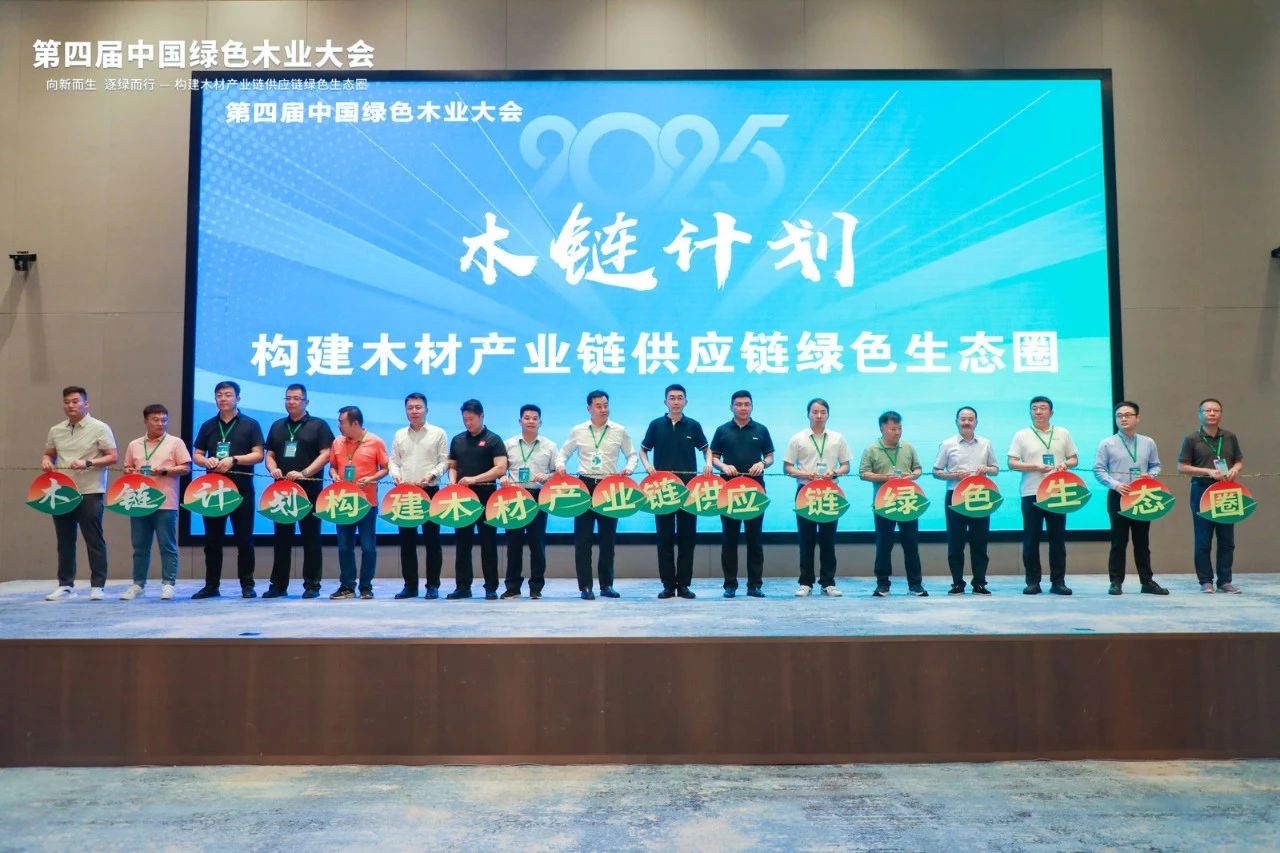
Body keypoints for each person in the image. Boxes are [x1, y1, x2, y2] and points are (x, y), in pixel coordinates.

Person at [556, 389, 638, 600]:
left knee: (607, 540)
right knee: (582, 541)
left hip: (609, 487)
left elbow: (632, 454)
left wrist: (629, 468)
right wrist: (560, 465)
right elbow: (563, 453)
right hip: (584, 487)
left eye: (606, 405)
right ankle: (585, 587)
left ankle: (606, 585)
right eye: (599, 406)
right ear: (589, 409)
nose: (603, 409)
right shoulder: (579, 430)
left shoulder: (619, 430)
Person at [42, 386, 118, 601]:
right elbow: (49, 454)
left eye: (75, 401)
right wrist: (46, 461)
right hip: (63, 491)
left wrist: (88, 462)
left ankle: (98, 586)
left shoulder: (100, 428)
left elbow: (113, 457)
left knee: (94, 539)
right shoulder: (56, 430)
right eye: (67, 402)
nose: (71, 405)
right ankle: (65, 585)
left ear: (86, 403)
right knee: (64, 540)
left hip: (90, 491)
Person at [191, 380, 264, 599]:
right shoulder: (208, 425)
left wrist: (234, 460)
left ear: (237, 398)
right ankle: (211, 585)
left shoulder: (250, 424)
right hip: (213, 491)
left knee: (244, 540)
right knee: (212, 541)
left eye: (228, 395)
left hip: (241, 491)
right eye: (219, 395)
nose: (223, 399)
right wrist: (206, 461)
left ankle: (247, 585)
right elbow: (197, 454)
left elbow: (258, 454)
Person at [640, 384, 711, 600]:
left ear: (685, 402)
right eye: (672, 398)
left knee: (687, 539)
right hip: (662, 491)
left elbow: (706, 449)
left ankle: (684, 585)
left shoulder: (693, 425)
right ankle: (668, 585)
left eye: (680, 398)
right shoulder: (655, 425)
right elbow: (643, 450)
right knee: (665, 539)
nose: (676, 401)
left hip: (689, 491)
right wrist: (647, 465)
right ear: (666, 402)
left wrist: (708, 462)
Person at [263, 384, 334, 599]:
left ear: (306, 402)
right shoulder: (277, 426)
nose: (291, 402)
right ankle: (278, 585)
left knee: (311, 538)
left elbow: (326, 454)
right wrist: (273, 468)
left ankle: (312, 585)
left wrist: (305, 472)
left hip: (309, 490)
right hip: (282, 493)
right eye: (288, 398)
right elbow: (270, 454)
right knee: (281, 539)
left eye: (296, 398)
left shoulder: (318, 425)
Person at [1093, 401, 1170, 596]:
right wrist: (1115, 484)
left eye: (1128, 415)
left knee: (1142, 542)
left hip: (1142, 496)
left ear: (1138, 418)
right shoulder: (1107, 443)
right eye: (1119, 416)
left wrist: (1150, 476)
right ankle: (1116, 582)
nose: (1123, 419)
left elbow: (1156, 465)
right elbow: (1098, 470)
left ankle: (1147, 581)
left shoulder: (1148, 442)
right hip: (1118, 495)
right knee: (1118, 542)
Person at [1007, 395, 1079, 595]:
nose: (1038, 412)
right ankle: (1032, 582)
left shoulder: (1063, 433)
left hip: (1058, 492)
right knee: (1031, 539)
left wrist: (1064, 464)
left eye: (1043, 408)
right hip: (1031, 492)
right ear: (1030, 412)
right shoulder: (1021, 435)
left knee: (1058, 539)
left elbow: (1074, 459)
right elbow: (1012, 463)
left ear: (1051, 412)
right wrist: (1035, 466)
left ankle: (1058, 582)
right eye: (1034, 408)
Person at [119, 404, 191, 601]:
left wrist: (165, 471)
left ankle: (168, 584)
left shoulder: (175, 443)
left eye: (164, 420)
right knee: (140, 547)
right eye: (156, 420)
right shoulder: (134, 444)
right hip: (140, 502)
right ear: (146, 421)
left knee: (167, 546)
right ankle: (138, 585)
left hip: (166, 502)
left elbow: (186, 468)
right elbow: (127, 468)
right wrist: (129, 471)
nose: (161, 424)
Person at [784, 397, 851, 597]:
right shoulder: (798, 438)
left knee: (828, 539)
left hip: (830, 492)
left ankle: (828, 583)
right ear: (808, 414)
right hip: (806, 492)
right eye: (815, 412)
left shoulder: (837, 438)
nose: (819, 415)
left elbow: (846, 466)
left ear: (828, 414)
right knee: (806, 539)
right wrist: (805, 474)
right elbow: (787, 468)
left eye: (823, 412)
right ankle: (806, 583)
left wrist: (835, 472)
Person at [710, 390, 775, 598]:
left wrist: (762, 463)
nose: (743, 407)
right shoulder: (722, 430)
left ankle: (754, 585)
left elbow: (770, 457)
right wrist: (723, 466)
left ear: (752, 406)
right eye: (739, 404)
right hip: (728, 490)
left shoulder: (761, 429)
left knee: (754, 539)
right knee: (729, 539)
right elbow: (713, 457)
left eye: (747, 404)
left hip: (755, 490)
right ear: (731, 407)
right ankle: (730, 585)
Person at [1177, 398, 1245, 594]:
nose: (1212, 413)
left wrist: (1235, 469)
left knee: (1227, 540)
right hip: (1202, 490)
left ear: (1221, 414)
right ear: (1200, 414)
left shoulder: (1230, 437)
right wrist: (1207, 471)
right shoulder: (1191, 439)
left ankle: (1225, 581)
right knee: (1203, 539)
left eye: (1216, 410)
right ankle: (1205, 581)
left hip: (1226, 491)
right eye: (1207, 411)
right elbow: (1182, 466)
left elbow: (1239, 460)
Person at [932, 406, 999, 595]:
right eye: (963, 419)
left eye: (970, 419)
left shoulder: (986, 443)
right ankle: (957, 583)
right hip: (955, 496)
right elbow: (936, 471)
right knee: (956, 543)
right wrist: (953, 475)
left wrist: (987, 469)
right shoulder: (947, 444)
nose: (966, 422)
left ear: (976, 422)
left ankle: (979, 583)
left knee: (980, 542)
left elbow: (995, 469)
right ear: (956, 422)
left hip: (980, 496)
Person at [388, 392, 449, 600]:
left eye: (418, 407)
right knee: (407, 542)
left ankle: (433, 586)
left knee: (432, 541)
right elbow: (394, 461)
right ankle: (410, 586)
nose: (414, 411)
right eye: (410, 408)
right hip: (405, 493)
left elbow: (444, 461)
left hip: (429, 491)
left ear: (426, 410)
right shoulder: (399, 435)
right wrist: (396, 475)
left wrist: (432, 474)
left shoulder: (438, 433)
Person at [859, 411, 927, 597]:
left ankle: (915, 584)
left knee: (911, 544)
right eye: (893, 429)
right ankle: (882, 584)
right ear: (882, 428)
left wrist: (911, 476)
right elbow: (864, 473)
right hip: (884, 503)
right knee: (884, 545)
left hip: (908, 502)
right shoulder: (872, 449)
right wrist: (885, 478)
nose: (897, 432)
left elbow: (918, 469)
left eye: (899, 428)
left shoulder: (908, 447)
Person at [447, 399, 508, 600]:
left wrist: (474, 479)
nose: (468, 423)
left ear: (482, 416)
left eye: (471, 419)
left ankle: (491, 587)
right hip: (462, 498)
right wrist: (452, 483)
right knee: (462, 544)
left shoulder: (493, 439)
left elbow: (500, 468)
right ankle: (463, 586)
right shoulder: (457, 440)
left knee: (488, 543)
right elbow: (452, 466)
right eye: (465, 419)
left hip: (486, 497)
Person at [328, 405, 388, 599]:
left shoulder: (375, 441)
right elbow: (332, 467)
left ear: (355, 423)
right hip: (343, 501)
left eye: (341, 422)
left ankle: (366, 587)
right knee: (344, 546)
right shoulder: (337, 442)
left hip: (366, 502)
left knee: (368, 547)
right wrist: (334, 475)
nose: (339, 426)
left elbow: (385, 468)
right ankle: (347, 586)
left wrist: (371, 478)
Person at [501, 404, 557, 600]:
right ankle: (512, 587)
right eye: (527, 418)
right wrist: (502, 477)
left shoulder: (549, 445)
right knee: (513, 544)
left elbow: (557, 472)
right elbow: (500, 469)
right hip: (514, 497)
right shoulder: (508, 444)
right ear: (520, 421)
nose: (531, 421)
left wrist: (547, 476)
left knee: (537, 544)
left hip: (538, 496)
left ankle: (536, 587)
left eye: (534, 418)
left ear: (540, 422)